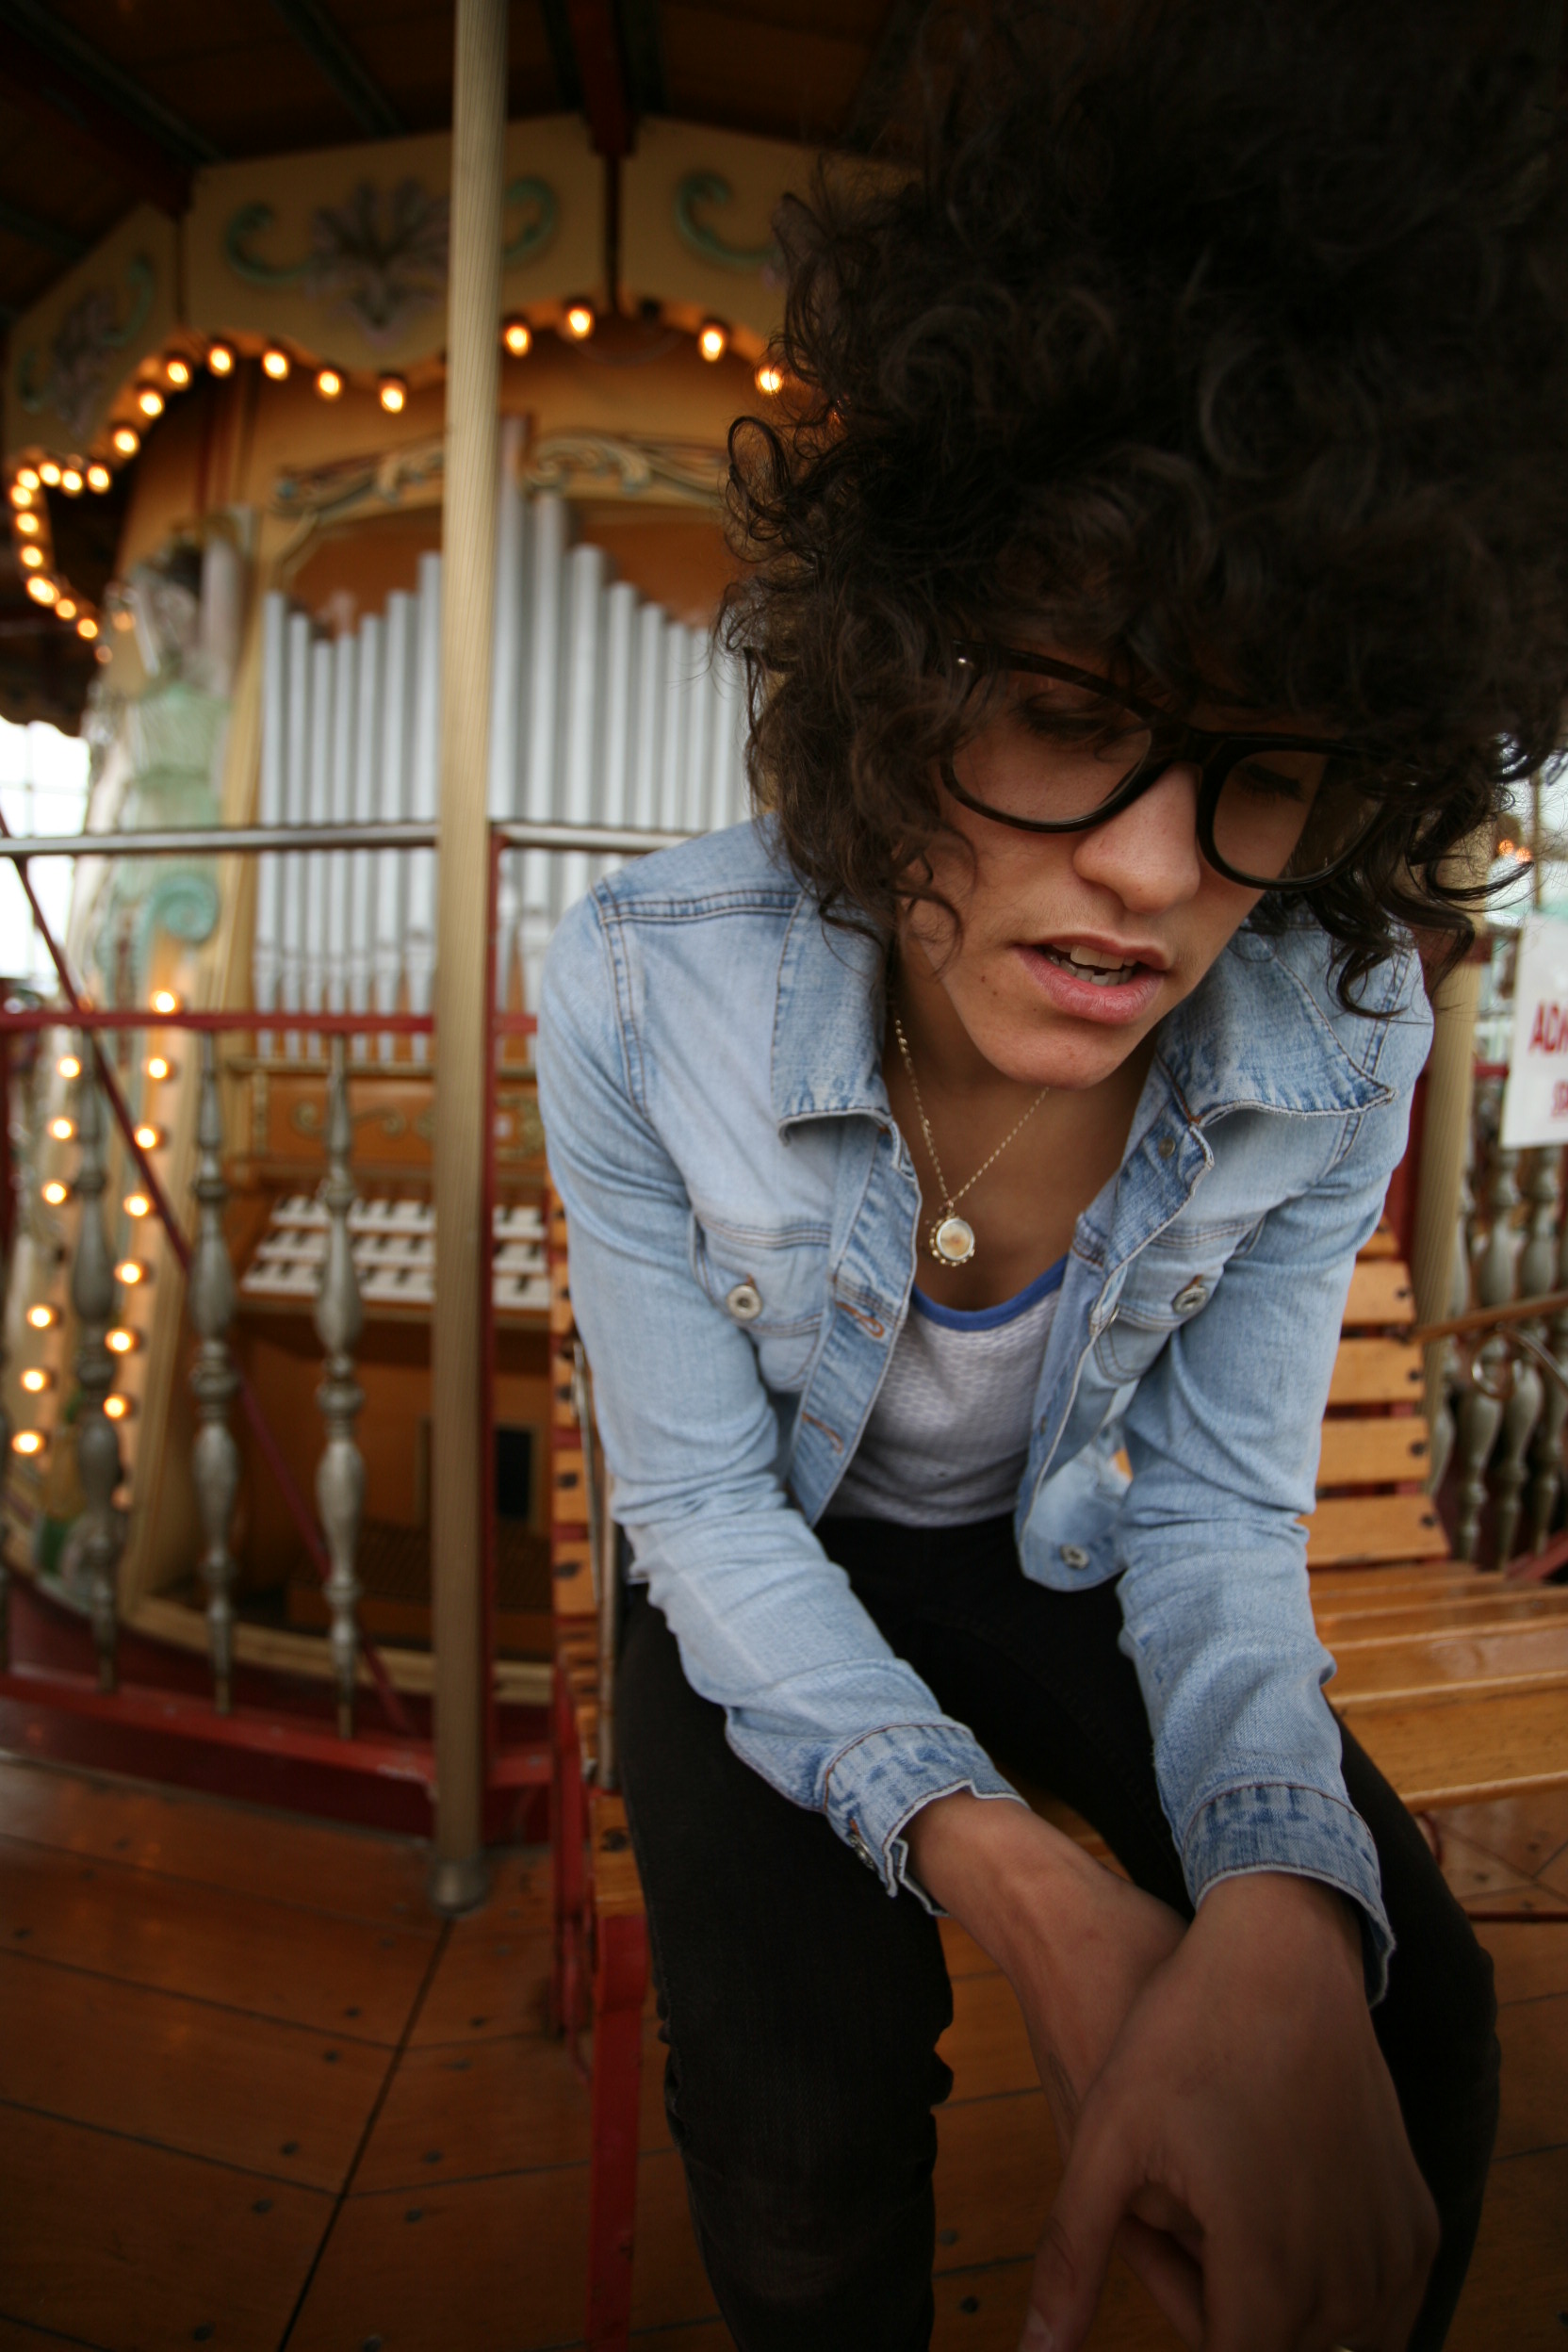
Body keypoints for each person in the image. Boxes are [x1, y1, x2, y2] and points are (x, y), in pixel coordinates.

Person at [537, 4, 1568, 2344]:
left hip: (1070, 1561)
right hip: (762, 1558)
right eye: (1068, 721)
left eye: (1258, 773)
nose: (1149, 875)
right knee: (798, 2116)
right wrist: (1040, 1898)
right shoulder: (636, 990)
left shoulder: (1342, 1028)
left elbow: (1209, 1520)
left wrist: (1273, 1909)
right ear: (898, 684)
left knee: (1410, 2024)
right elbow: (693, 1512)